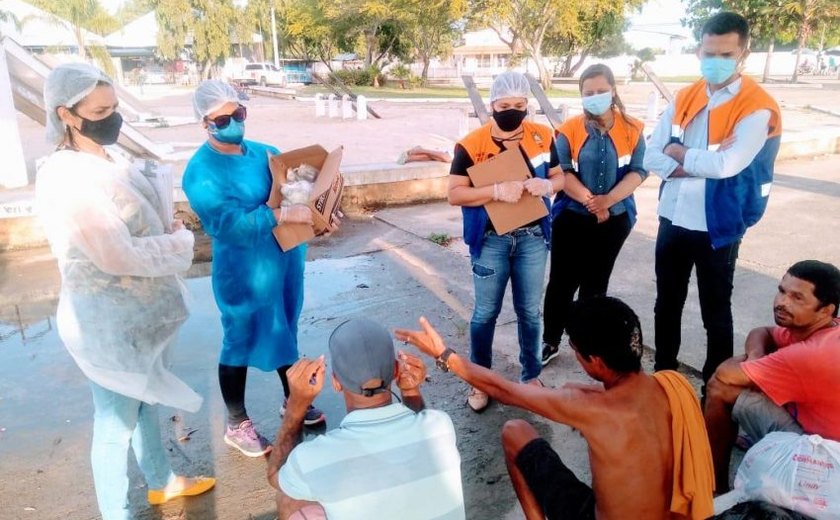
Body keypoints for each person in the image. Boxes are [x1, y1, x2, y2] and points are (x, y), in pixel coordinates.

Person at [36, 63, 214, 520]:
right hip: (107, 322)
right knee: (114, 424)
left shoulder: (106, 159)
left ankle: (161, 482)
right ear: (67, 115)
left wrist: (162, 221)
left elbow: (136, 226)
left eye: (115, 108)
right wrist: (178, 242)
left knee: (145, 401)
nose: (112, 118)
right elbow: (115, 254)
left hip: (141, 314)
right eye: (100, 110)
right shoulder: (67, 177)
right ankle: (116, 512)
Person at [396, 297, 714, 520]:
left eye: (576, 352)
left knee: (514, 432)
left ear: (596, 361)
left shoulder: (591, 409)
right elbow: (614, 398)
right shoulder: (672, 384)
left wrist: (444, 354)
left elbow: (502, 390)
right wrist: (567, 393)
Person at [183, 80, 331, 457]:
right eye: (224, 118)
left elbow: (299, 192)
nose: (234, 121)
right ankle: (237, 422)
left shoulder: (267, 154)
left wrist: (320, 211)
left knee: (284, 327)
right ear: (205, 123)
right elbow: (227, 225)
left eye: (239, 113)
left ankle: (291, 399)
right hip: (244, 270)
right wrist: (278, 213)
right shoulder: (201, 172)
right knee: (240, 337)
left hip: (283, 260)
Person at [643, 11, 782, 389]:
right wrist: (687, 159)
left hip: (718, 225)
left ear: (743, 54)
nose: (715, 62)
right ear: (698, 50)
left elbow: (728, 165)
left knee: (715, 312)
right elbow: (650, 154)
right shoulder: (686, 97)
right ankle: (665, 380)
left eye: (725, 55)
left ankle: (716, 390)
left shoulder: (756, 107)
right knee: (666, 305)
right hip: (673, 218)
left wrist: (678, 153)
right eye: (709, 53)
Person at [266, 319, 464, 520]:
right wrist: (411, 390)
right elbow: (419, 437)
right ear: (396, 371)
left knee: (288, 498)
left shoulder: (312, 459)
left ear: (335, 382)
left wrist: (296, 405)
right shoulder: (441, 424)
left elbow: (276, 475)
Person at [448, 70, 564, 412]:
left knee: (530, 312)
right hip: (491, 240)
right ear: (492, 104)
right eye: (504, 104)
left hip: (532, 238)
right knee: (485, 312)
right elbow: (455, 193)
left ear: (527, 104)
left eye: (519, 104)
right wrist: (495, 191)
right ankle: (480, 380)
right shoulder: (472, 144)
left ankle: (531, 377)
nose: (512, 110)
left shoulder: (544, 136)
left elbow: (559, 176)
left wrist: (548, 186)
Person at [541, 63, 647, 366]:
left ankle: (586, 342)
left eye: (601, 91)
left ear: (613, 90)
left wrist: (609, 201)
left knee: (596, 284)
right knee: (561, 282)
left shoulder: (634, 129)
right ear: (581, 96)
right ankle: (550, 340)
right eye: (589, 93)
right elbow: (564, 171)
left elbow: (639, 171)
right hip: (572, 216)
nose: (596, 97)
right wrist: (592, 202)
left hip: (615, 219)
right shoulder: (569, 130)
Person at [704, 260, 840, 491]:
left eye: (797, 298)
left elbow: (725, 374)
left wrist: (750, 366)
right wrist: (756, 357)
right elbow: (762, 332)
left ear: (826, 310)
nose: (782, 302)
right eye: (781, 291)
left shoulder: (810, 355)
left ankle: (713, 486)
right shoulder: (824, 328)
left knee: (718, 388)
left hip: (825, 454)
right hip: (822, 431)